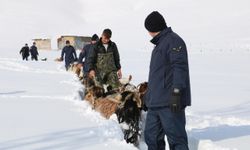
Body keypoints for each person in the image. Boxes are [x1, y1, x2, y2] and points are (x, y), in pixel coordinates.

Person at [144, 11, 191, 150]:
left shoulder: (173, 41)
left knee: (176, 140)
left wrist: (177, 92)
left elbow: (180, 68)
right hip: (156, 102)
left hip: (170, 102)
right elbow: (157, 75)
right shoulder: (160, 44)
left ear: (152, 28)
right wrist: (148, 97)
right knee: (151, 138)